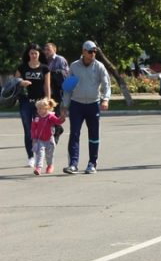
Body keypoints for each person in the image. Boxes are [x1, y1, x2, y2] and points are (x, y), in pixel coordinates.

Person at [61, 41, 112, 175]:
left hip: (93, 104)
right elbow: (68, 88)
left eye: (95, 51)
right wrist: (65, 106)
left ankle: (92, 163)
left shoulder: (99, 66)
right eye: (90, 51)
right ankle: (73, 164)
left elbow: (107, 84)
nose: (93, 54)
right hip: (77, 104)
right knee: (74, 134)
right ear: (83, 51)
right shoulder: (74, 66)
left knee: (94, 135)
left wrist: (105, 99)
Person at [14, 44, 51, 167]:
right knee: (28, 130)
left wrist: (48, 101)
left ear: (39, 54)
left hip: (39, 104)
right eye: (31, 53)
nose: (34, 55)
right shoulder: (23, 67)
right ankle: (30, 157)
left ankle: (39, 155)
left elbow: (47, 86)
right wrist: (21, 82)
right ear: (28, 54)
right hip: (25, 102)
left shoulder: (45, 68)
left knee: (39, 130)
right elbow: (13, 82)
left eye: (36, 53)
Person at [30, 98, 66, 175]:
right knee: (40, 154)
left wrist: (62, 118)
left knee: (49, 155)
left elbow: (57, 121)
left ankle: (50, 166)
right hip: (40, 140)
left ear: (46, 109)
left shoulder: (50, 117)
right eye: (37, 108)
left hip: (49, 139)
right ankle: (38, 168)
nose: (38, 110)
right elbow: (33, 129)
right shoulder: (37, 118)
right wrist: (34, 139)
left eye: (40, 108)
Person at [43, 43, 68, 144]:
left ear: (54, 50)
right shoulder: (43, 61)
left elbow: (65, 74)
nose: (46, 51)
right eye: (45, 49)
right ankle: (59, 129)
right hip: (46, 91)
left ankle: (56, 136)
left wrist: (52, 74)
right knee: (46, 113)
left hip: (57, 91)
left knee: (56, 114)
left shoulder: (60, 60)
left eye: (48, 49)